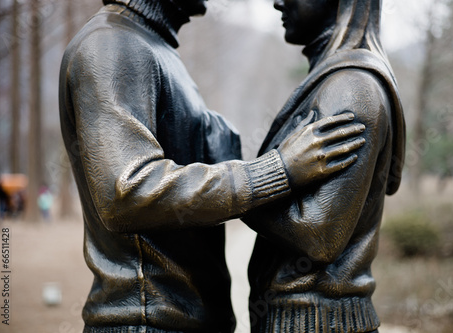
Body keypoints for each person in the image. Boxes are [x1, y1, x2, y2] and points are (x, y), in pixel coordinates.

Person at [59, 0, 367, 332]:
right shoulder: (112, 43)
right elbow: (128, 193)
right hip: (146, 323)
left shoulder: (152, 44)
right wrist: (277, 170)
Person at [244, 0, 406, 332]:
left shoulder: (351, 87)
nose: (277, 2)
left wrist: (241, 190)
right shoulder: (335, 81)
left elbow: (319, 236)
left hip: (316, 321)